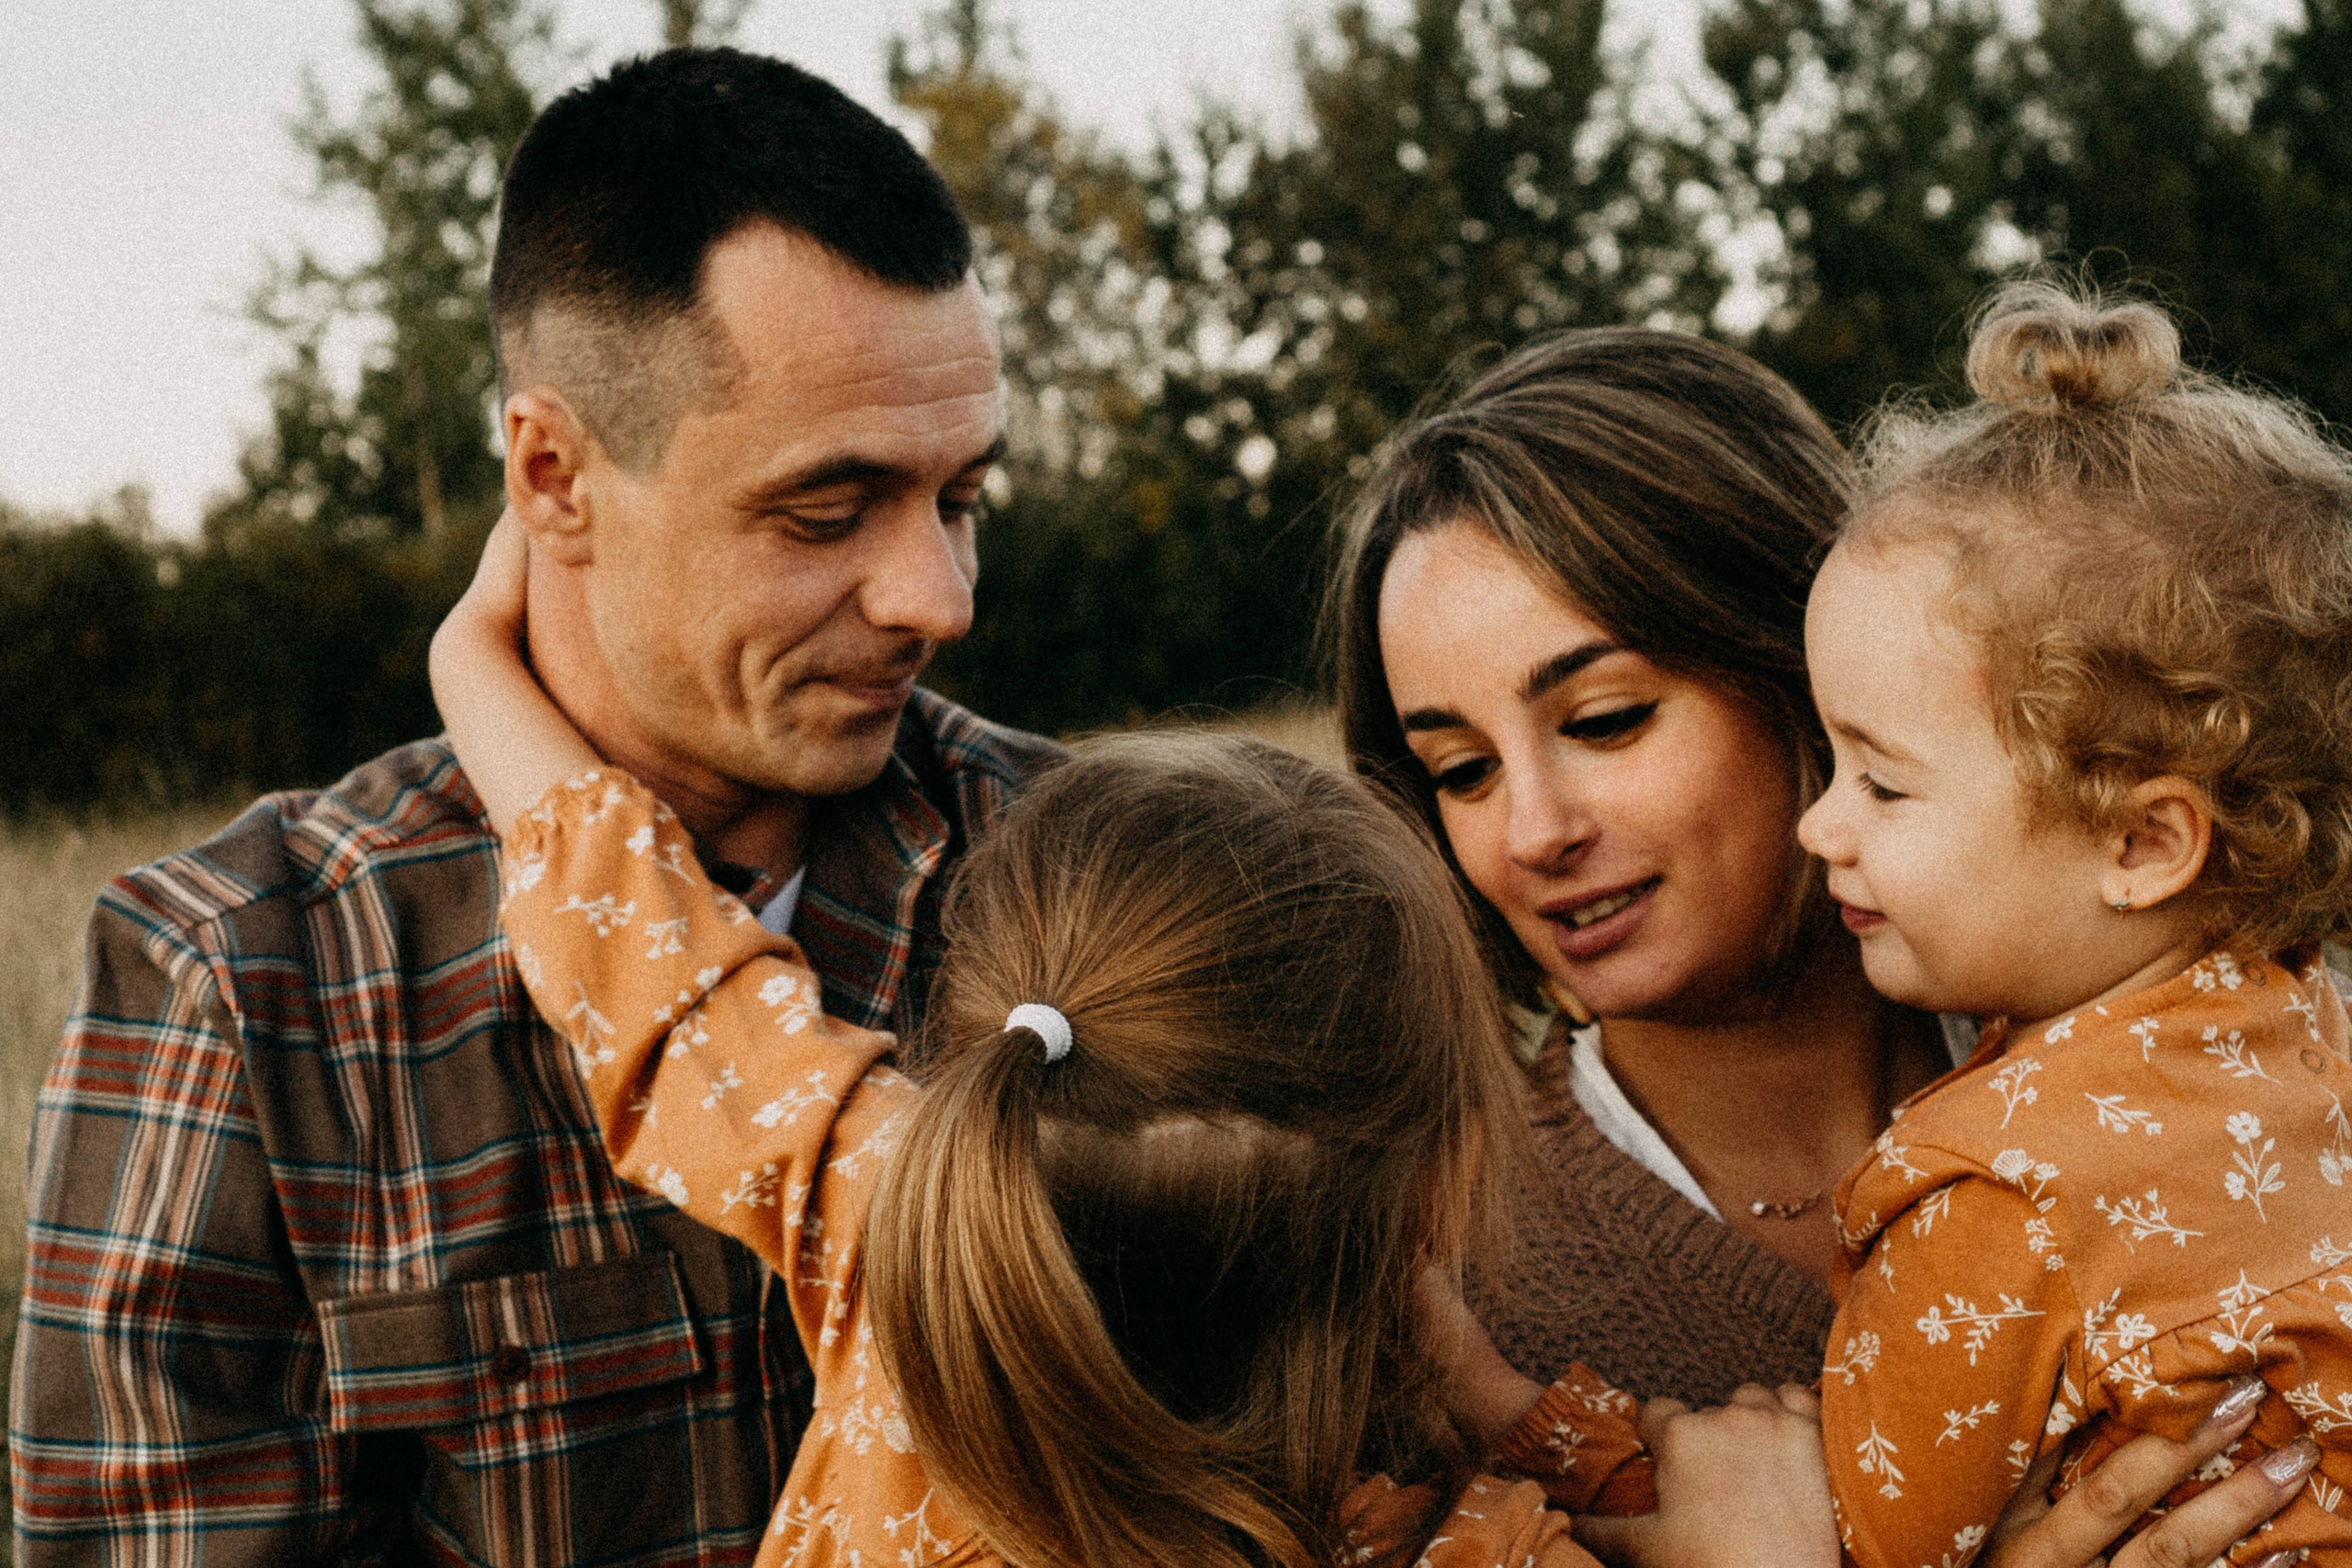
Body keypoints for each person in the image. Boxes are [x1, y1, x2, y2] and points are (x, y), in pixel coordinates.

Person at [12, 48, 1057, 1566]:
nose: (936, 599)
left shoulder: (1095, 873)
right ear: (554, 470)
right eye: (826, 511)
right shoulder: (245, 985)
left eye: (964, 501)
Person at [428, 524, 1664, 1568]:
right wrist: (1523, 1416)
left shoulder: (886, 1217)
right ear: (1435, 1193)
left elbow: (665, 980)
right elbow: (1668, 1505)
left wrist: (470, 651)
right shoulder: (1470, 1547)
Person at [1329, 323, 2318, 1560]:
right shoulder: (1441, 1302)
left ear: (1811, 672)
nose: (1531, 832)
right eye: (1461, 772)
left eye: (1607, 718)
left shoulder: (2224, 1045)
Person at [1796, 283, 2352, 1562]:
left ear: (2142, 843)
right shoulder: (2312, 1033)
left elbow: (1860, 1546)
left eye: (1881, 781)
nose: (1821, 827)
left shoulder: (1991, 1197)